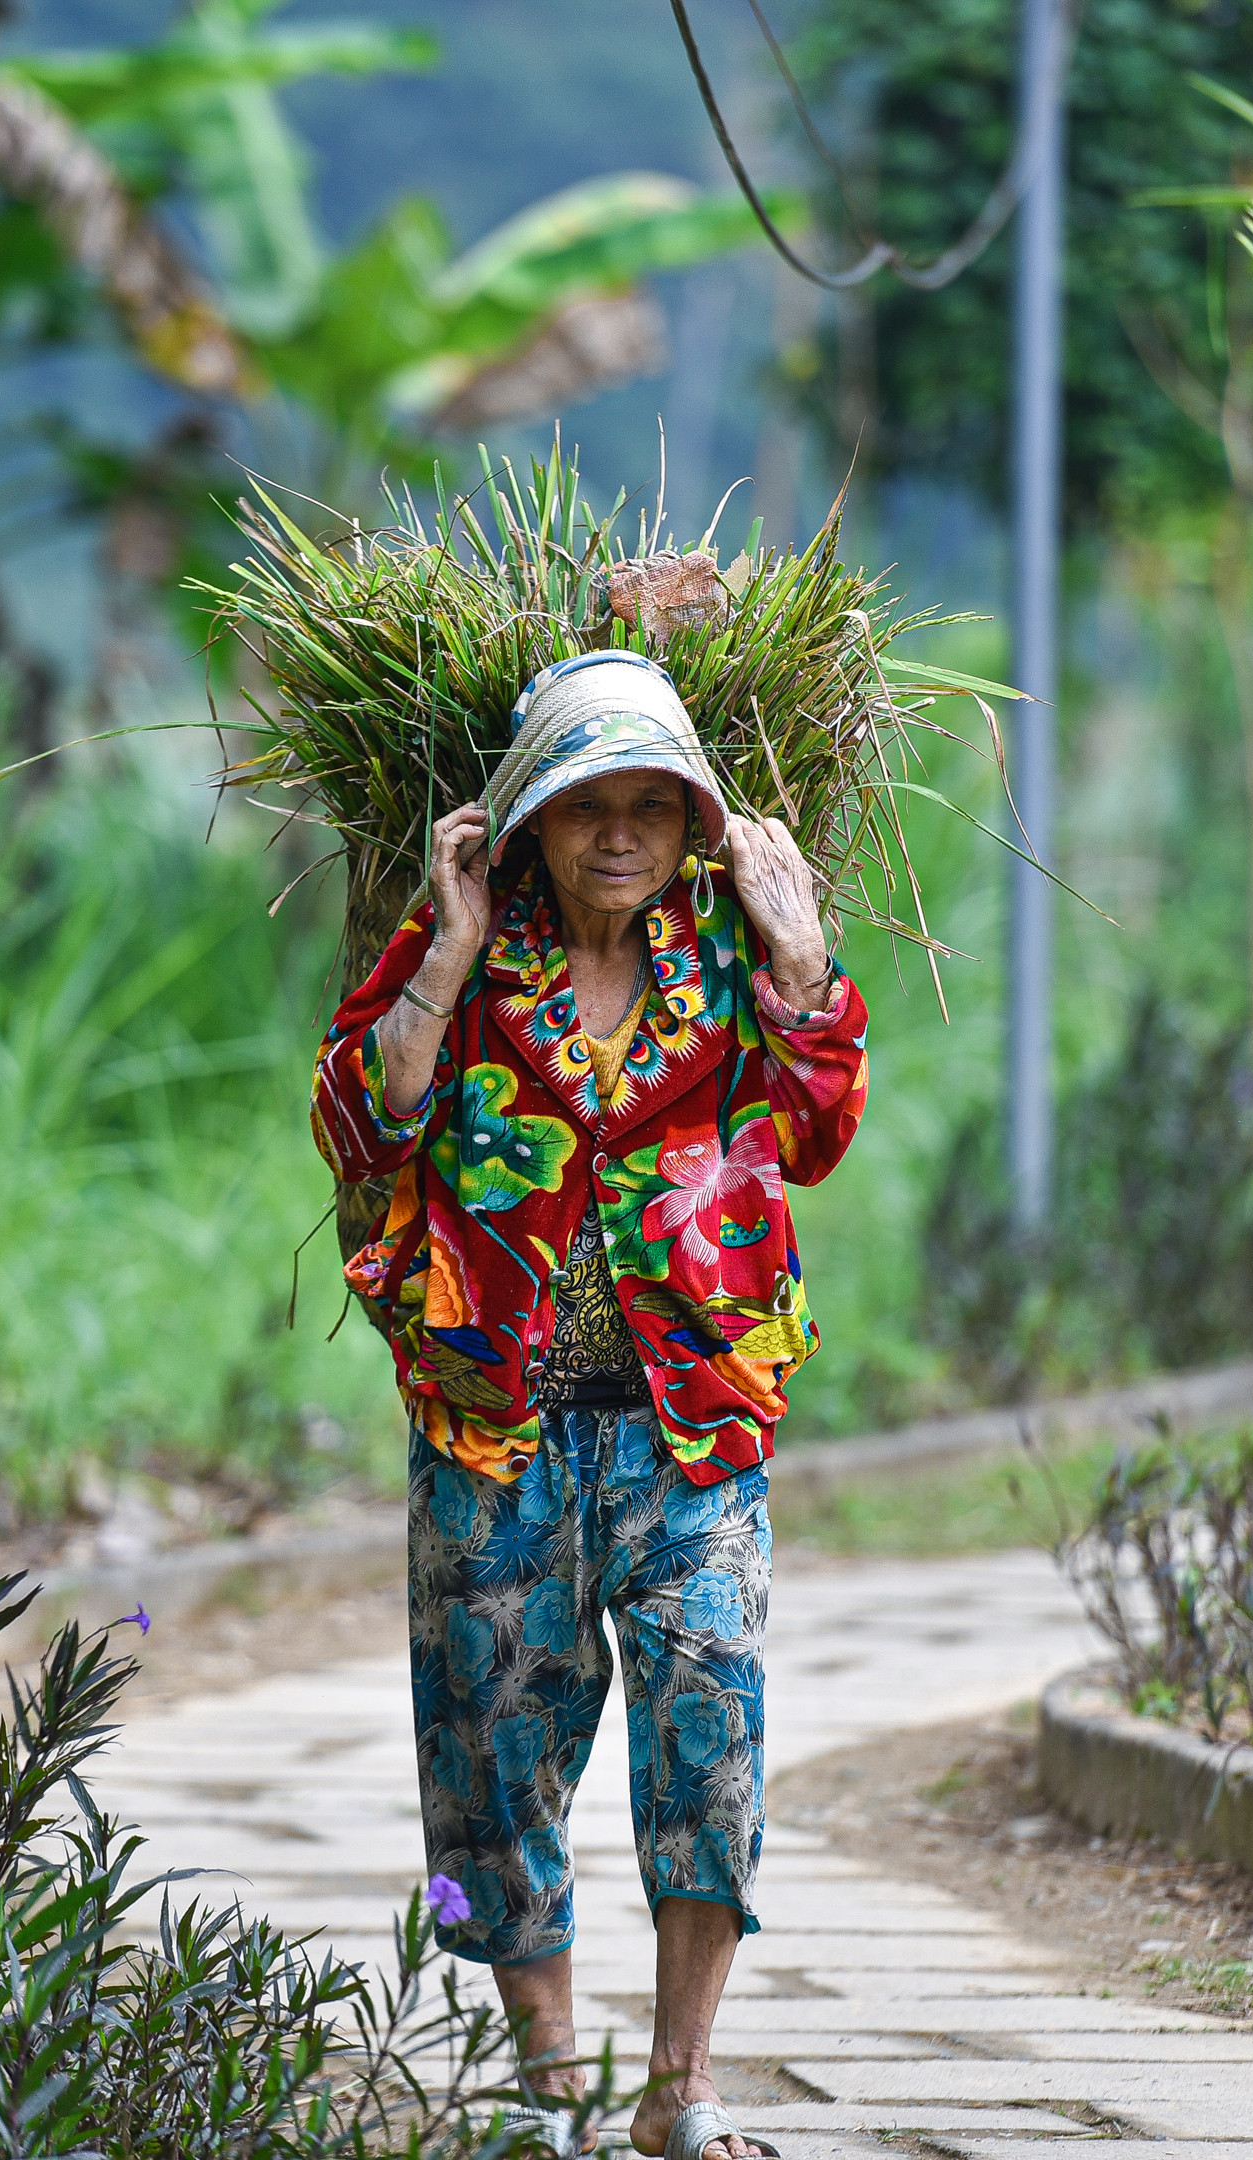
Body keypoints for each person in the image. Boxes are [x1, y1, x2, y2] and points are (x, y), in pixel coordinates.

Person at [311, 648, 867, 2160]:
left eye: (651, 807)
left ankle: (681, 2087)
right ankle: (549, 2080)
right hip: (494, 1430)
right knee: (496, 1746)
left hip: (695, 1427)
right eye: (584, 807)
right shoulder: (462, 952)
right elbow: (358, 1124)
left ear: (693, 824)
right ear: (530, 821)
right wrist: (445, 954)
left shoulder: (732, 951)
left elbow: (818, 1134)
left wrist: (802, 955)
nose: (619, 836)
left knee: (712, 1726)